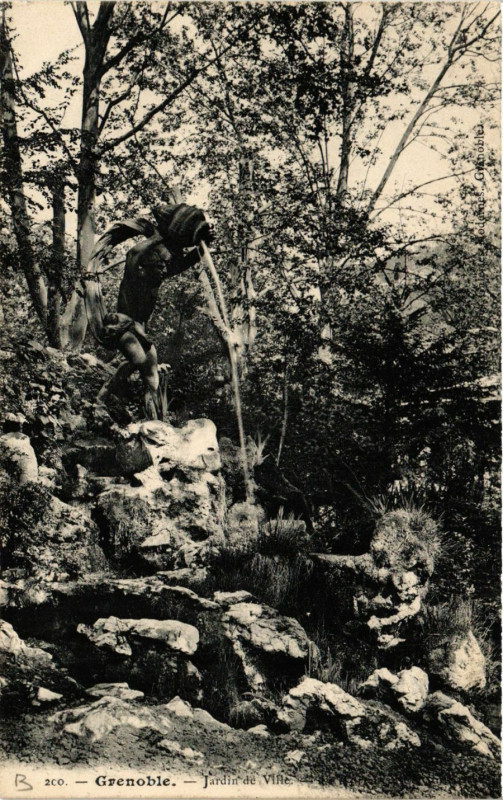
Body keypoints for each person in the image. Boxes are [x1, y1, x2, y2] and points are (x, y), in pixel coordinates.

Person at [85, 203, 211, 415]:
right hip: (123, 325)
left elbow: (181, 264)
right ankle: (101, 398)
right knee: (138, 359)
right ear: (149, 267)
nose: (164, 270)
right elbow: (133, 253)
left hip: (140, 329)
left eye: (164, 268)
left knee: (152, 373)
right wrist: (158, 237)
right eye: (160, 267)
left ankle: (153, 414)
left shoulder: (156, 279)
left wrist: (202, 247)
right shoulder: (135, 276)